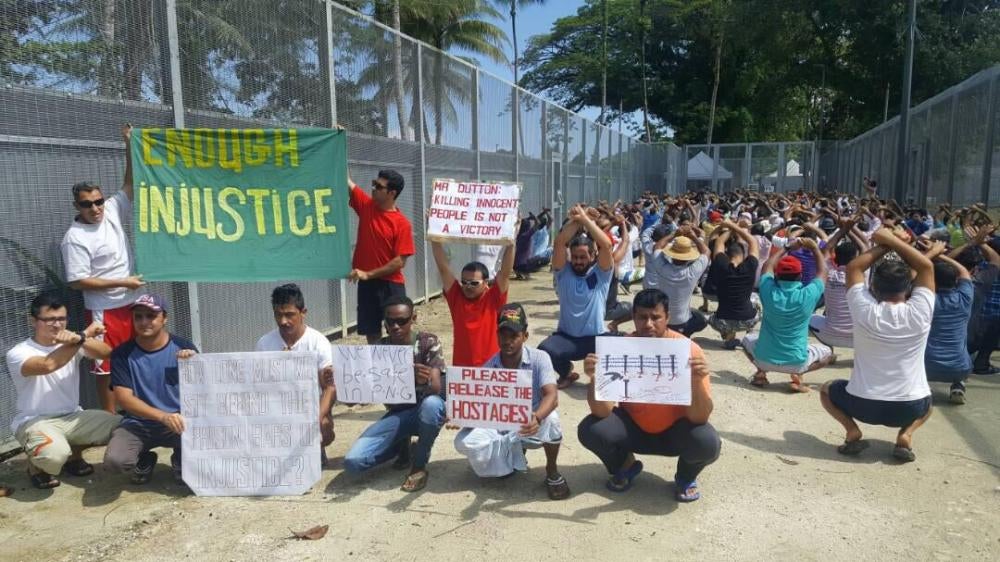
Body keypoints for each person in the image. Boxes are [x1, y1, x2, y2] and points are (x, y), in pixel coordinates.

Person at [578, 289, 720, 502]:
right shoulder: (619, 349)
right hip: (633, 430)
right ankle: (624, 465)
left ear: (668, 318)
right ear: (633, 318)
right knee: (591, 429)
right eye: (642, 317)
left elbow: (699, 418)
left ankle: (685, 477)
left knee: (707, 442)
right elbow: (602, 411)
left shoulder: (689, 351)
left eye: (656, 317)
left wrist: (696, 382)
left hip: (675, 434)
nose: (648, 324)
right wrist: (594, 378)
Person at [819, 228, 935, 463]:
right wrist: (895, 242)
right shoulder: (921, 312)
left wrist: (885, 244)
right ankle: (906, 434)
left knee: (827, 389)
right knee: (928, 402)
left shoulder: (864, 310)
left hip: (863, 405)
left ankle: (852, 431)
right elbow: (926, 267)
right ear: (909, 287)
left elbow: (853, 267)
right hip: (909, 407)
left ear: (873, 288)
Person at [60, 124, 145, 412]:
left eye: (98, 201)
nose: (95, 209)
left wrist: (129, 144)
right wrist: (122, 282)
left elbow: (130, 184)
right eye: (87, 205)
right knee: (105, 368)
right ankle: (110, 425)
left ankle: (136, 416)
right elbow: (77, 281)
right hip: (104, 311)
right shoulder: (74, 238)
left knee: (136, 360)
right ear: (77, 206)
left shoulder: (112, 209)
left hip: (132, 303)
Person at [5, 292, 120, 489]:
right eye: (49, 320)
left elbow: (107, 353)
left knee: (124, 427)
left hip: (72, 416)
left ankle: (74, 457)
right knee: (53, 455)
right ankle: (36, 467)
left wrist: (79, 338)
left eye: (61, 319)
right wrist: (82, 336)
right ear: (33, 321)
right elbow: (47, 365)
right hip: (35, 421)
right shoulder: (18, 352)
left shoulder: (73, 343)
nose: (57, 325)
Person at [454, 304, 569, 500]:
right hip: (501, 425)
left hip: (531, 422)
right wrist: (461, 416)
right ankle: (510, 460)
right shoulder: (490, 366)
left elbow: (552, 395)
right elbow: (481, 408)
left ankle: (552, 471)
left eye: (513, 336)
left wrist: (537, 417)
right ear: (497, 335)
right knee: (463, 441)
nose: (507, 341)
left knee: (553, 419)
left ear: (525, 335)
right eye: (503, 335)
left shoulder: (540, 358)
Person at [343, 296, 446, 492]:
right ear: (385, 322)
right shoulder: (378, 350)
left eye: (402, 321)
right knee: (353, 462)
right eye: (390, 322)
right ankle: (400, 446)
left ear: (413, 318)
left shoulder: (427, 343)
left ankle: (419, 465)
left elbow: (436, 389)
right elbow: (353, 399)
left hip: (425, 412)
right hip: (397, 415)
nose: (396, 326)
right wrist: (343, 384)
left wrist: (421, 380)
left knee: (432, 405)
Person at [103, 294, 198, 484]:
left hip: (179, 422)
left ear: (165, 318)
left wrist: (196, 363)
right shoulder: (122, 354)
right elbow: (124, 398)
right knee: (115, 462)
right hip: (138, 424)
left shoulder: (183, 347)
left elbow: (205, 390)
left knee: (211, 441)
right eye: (138, 316)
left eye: (151, 316)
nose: (144, 321)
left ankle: (181, 457)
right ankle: (144, 458)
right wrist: (163, 416)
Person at [537, 204, 614, 389]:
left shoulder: (601, 274)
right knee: (544, 351)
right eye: (576, 257)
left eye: (583, 257)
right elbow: (559, 243)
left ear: (593, 256)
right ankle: (566, 372)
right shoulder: (563, 273)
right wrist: (578, 219)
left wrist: (586, 219)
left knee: (627, 344)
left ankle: (606, 379)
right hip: (567, 339)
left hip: (596, 338)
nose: (578, 261)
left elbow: (607, 245)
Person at [741, 239, 834, 392]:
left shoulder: (768, 289)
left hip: (764, 359)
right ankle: (799, 374)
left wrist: (786, 247)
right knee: (828, 353)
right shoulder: (808, 294)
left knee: (746, 340)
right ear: (800, 276)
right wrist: (815, 248)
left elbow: (767, 266)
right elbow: (823, 271)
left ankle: (760, 372)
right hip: (796, 362)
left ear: (777, 275)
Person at [255, 284, 336, 456]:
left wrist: (317, 417)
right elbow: (257, 385)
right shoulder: (264, 344)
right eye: (278, 315)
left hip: (308, 410)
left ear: (303, 312)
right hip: (276, 411)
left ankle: (316, 451)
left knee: (323, 427)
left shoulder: (318, 342)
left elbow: (330, 386)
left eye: (289, 315)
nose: (283, 321)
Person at [347, 170, 416, 344]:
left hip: (391, 286)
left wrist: (368, 274)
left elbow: (400, 261)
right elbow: (346, 181)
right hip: (367, 285)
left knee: (397, 331)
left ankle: (400, 368)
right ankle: (376, 368)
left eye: (379, 186)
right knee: (371, 332)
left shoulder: (402, 224)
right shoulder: (366, 206)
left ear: (392, 193)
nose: (373, 188)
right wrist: (338, 145)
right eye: (373, 184)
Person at [431, 232, 513, 368]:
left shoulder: (494, 298)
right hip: (462, 368)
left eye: (474, 283)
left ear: (486, 283)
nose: (468, 286)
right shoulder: (456, 297)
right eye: (465, 282)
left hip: (491, 367)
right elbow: (443, 267)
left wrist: (512, 240)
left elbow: (505, 272)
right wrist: (434, 236)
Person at [809, 217, 868, 350]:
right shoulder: (862, 274)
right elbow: (864, 247)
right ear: (856, 258)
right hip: (859, 337)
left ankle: (828, 350)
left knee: (809, 317)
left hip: (829, 335)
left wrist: (843, 230)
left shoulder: (828, 273)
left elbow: (827, 249)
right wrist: (850, 229)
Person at [924, 251, 973, 404]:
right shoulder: (965, 297)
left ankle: (923, 388)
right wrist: (943, 255)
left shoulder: (928, 301)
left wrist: (932, 254)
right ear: (955, 280)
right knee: (965, 355)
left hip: (927, 366)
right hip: (960, 367)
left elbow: (915, 274)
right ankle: (958, 385)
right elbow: (964, 271)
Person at [707, 220, 760, 349]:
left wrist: (730, 227)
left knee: (710, 317)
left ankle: (729, 338)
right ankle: (750, 334)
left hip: (722, 321)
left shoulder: (720, 265)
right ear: (743, 255)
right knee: (756, 301)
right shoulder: (750, 266)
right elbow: (753, 242)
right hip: (747, 320)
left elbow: (719, 242)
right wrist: (736, 227)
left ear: (727, 254)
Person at [660, 228, 710, 337]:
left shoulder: (662, 267)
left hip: (663, 319)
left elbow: (657, 247)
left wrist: (673, 234)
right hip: (681, 321)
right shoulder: (693, 271)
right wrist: (694, 237)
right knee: (702, 320)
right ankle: (684, 334)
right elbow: (706, 251)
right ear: (688, 257)